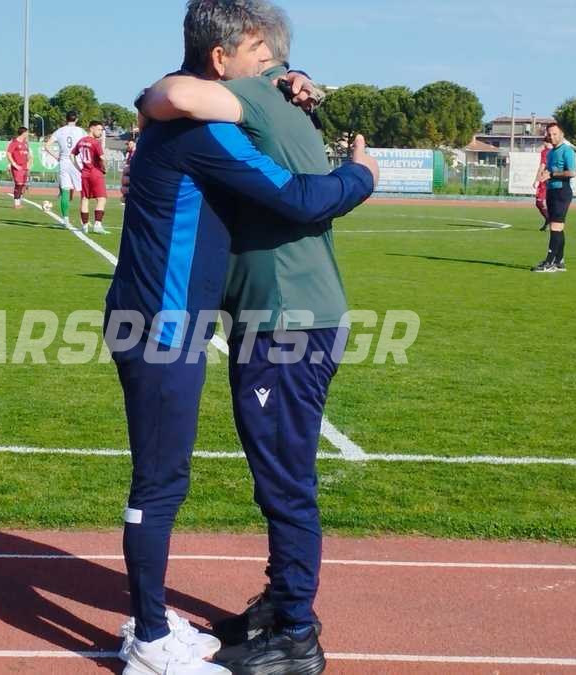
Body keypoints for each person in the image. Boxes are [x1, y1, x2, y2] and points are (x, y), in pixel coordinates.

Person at [107, 2, 376, 674]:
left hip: (259, 322)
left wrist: (356, 170)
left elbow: (163, 94)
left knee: (264, 482)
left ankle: (288, 626)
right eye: (264, 57)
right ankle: (171, 631)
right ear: (224, 58)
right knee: (176, 482)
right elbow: (170, 95)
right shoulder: (224, 114)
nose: (275, 67)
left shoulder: (241, 104)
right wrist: (361, 172)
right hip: (189, 323)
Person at [533, 122, 575, 273]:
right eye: (549, 134)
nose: (552, 137)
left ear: (562, 134)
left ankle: (549, 262)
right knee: (557, 227)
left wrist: (552, 174)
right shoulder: (550, 153)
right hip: (551, 191)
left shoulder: (567, 150)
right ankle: (559, 261)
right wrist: (544, 176)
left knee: (555, 227)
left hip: (562, 192)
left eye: (555, 134)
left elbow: (572, 172)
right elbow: (548, 171)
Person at [45, 111, 88, 226]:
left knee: (65, 190)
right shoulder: (81, 131)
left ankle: (65, 220)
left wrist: (57, 156)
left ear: (66, 119)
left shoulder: (60, 131)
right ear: (76, 119)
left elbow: (47, 145)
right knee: (83, 191)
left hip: (64, 161)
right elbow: (87, 144)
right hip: (77, 161)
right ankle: (84, 220)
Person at [72, 120, 109, 234]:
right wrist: (105, 168)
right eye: (99, 129)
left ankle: (84, 226)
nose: (100, 132)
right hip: (95, 172)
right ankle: (97, 224)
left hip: (85, 173)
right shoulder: (95, 142)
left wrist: (78, 168)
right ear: (91, 128)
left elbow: (72, 155)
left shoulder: (81, 141)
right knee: (101, 198)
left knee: (85, 199)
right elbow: (102, 158)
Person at [7, 127, 31, 209]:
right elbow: (8, 154)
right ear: (23, 133)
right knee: (19, 184)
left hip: (24, 167)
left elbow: (28, 154)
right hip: (17, 167)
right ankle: (16, 203)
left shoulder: (25, 143)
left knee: (23, 186)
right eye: (27, 132)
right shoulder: (14, 142)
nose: (27, 134)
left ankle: (19, 202)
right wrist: (14, 164)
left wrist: (28, 165)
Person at [534, 137, 552, 231]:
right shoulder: (555, 151)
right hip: (553, 179)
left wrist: (536, 180)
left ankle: (549, 219)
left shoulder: (545, 152)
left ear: (545, 142)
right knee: (544, 202)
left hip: (545, 180)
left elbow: (542, 166)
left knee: (539, 202)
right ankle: (549, 220)